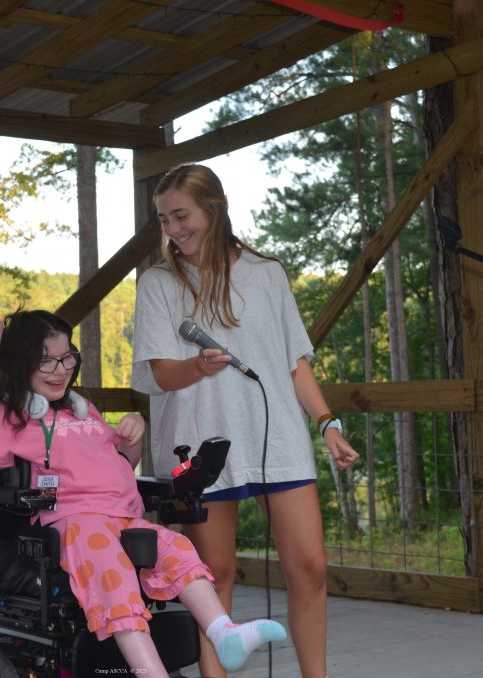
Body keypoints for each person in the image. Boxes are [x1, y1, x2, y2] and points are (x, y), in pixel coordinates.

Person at [0, 310, 287, 677]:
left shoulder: (83, 411)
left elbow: (121, 464)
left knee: (177, 548)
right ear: (21, 364)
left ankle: (225, 633)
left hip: (124, 517)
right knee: (112, 572)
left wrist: (132, 437)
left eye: (67, 358)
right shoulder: (9, 417)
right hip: (74, 522)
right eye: (46, 361)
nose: (61, 370)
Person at [131, 164, 360, 678]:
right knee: (215, 576)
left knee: (311, 568)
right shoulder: (158, 283)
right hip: (200, 446)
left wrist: (327, 423)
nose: (173, 229)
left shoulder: (267, 273)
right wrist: (197, 367)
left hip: (278, 438)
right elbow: (160, 374)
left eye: (181, 215)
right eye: (164, 220)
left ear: (214, 209)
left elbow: (293, 360)